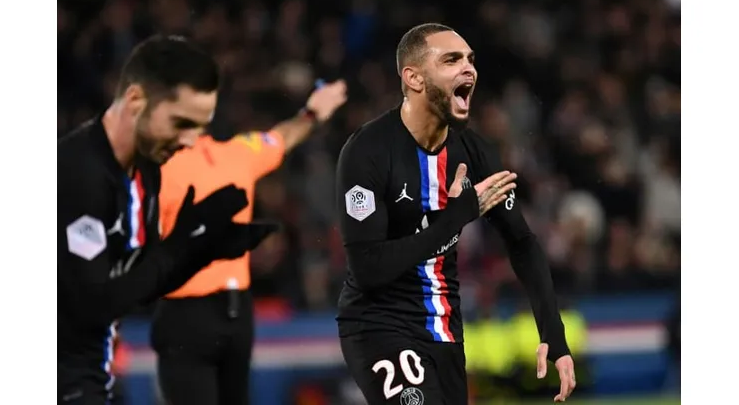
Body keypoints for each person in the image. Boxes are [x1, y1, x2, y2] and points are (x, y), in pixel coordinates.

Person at [335, 23, 577, 405]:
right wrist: (456, 216)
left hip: (446, 330)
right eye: (451, 60)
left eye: (470, 60)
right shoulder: (368, 151)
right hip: (380, 325)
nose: (469, 69)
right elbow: (367, 267)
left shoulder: (475, 153)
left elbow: (522, 241)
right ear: (413, 78)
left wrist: (553, 334)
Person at [58, 35, 275, 405]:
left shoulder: (146, 172)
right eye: (181, 123)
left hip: (93, 373)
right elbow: (94, 304)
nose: (190, 141)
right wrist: (181, 250)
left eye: (200, 127)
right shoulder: (78, 175)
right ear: (135, 100)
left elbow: (136, 283)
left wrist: (203, 250)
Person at [151, 80, 347, 405]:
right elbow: (284, 136)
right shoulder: (236, 155)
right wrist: (313, 113)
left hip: (186, 314)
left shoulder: (154, 170)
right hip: (235, 315)